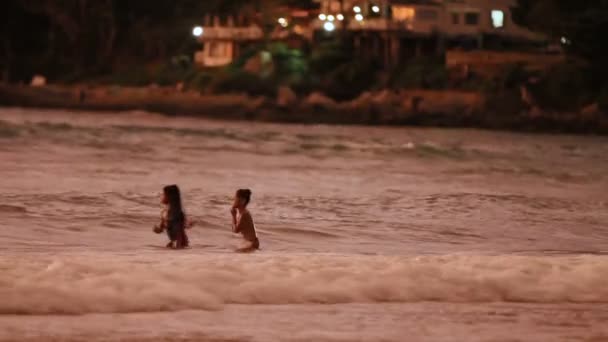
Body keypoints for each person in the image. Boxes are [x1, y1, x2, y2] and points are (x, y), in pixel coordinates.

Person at [154, 185, 190, 249]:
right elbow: (161, 229)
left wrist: (178, 248)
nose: (162, 196)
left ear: (170, 197)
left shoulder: (177, 214)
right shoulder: (165, 213)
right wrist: (157, 229)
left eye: (164, 194)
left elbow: (179, 234)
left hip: (181, 244)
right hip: (174, 243)